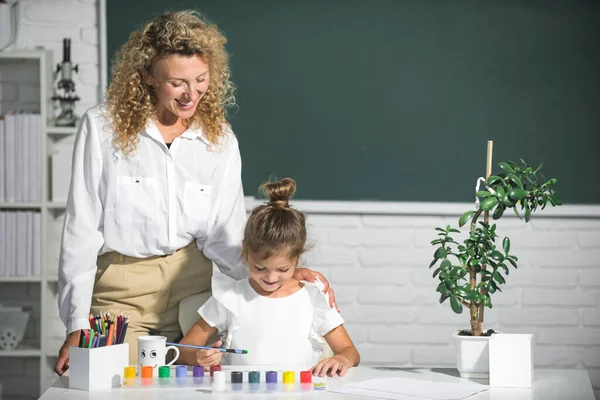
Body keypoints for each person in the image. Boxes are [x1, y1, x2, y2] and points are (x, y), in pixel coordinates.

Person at [54, 10, 336, 375]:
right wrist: (76, 322)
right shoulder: (103, 128)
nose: (192, 94)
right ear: (147, 77)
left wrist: (280, 275)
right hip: (121, 295)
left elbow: (227, 234)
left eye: (201, 80)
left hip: (195, 293)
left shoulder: (218, 139)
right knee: (116, 383)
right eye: (177, 83)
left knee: (194, 386)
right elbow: (82, 229)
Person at [177, 178, 360, 377]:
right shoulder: (230, 297)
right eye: (260, 268)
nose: (271, 277)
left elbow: (350, 352)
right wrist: (199, 357)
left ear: (297, 258)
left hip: (298, 392)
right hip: (242, 392)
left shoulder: (312, 297)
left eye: (283, 269)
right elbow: (184, 349)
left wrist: (341, 359)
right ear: (245, 252)